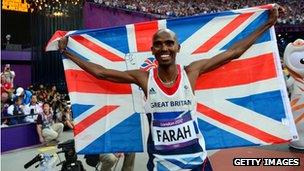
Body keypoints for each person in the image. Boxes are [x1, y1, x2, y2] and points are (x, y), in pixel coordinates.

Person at [58, 5, 282, 171]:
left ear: (177, 47)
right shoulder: (144, 78)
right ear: (152, 50)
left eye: (168, 43)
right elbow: (101, 72)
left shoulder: (191, 72)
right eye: (158, 44)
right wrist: (68, 53)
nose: (164, 47)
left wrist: (266, 24)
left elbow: (233, 53)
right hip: (162, 165)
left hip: (197, 163)